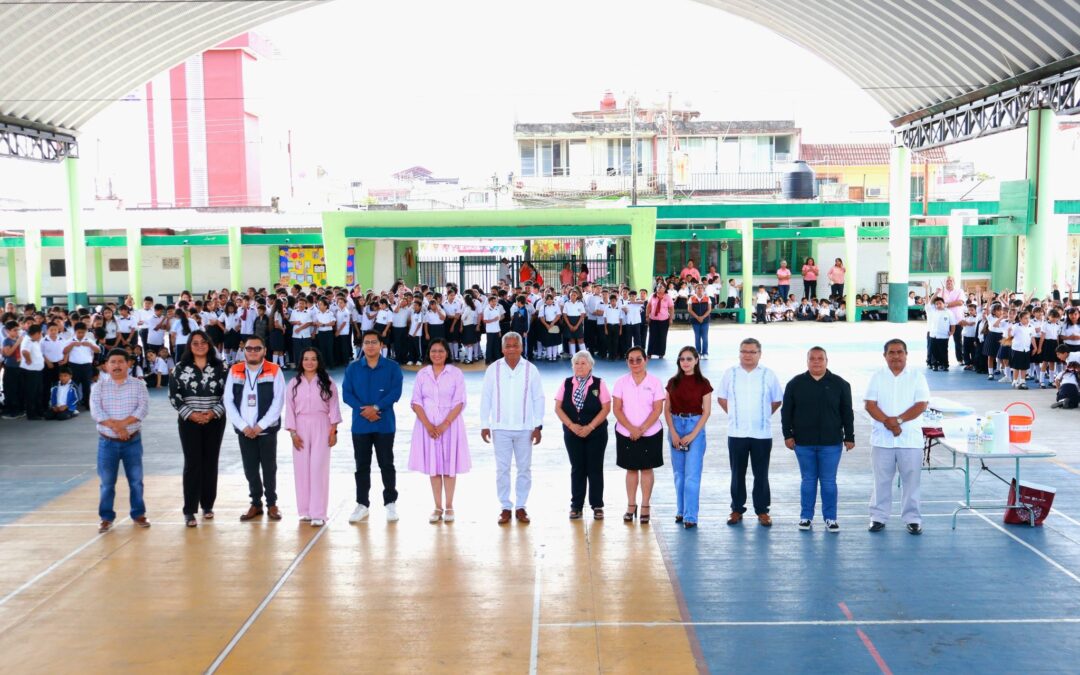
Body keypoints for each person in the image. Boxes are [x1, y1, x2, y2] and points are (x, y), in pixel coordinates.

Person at [781, 347, 855, 532]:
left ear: (826, 361)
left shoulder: (840, 384)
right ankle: (806, 517)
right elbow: (786, 412)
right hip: (803, 443)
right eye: (812, 358)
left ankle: (830, 518)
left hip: (831, 443)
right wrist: (787, 435)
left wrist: (850, 436)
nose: (816, 361)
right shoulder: (795, 384)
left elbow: (847, 413)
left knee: (829, 482)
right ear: (807, 361)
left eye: (820, 358)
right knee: (808, 481)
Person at [864, 339, 930, 535]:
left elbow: (921, 405)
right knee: (881, 480)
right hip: (882, 440)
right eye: (891, 353)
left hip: (909, 440)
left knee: (912, 481)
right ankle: (878, 517)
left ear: (906, 354)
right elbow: (870, 405)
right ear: (885, 356)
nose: (896, 356)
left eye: (900, 352)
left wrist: (898, 421)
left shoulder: (917, 377)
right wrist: (889, 423)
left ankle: (913, 519)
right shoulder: (877, 377)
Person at [480, 332, 545, 525]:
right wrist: (485, 424)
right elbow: (486, 397)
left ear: (521, 347)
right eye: (507, 346)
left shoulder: (530, 369)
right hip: (500, 428)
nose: (511, 349)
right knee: (502, 469)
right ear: (502, 349)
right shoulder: (493, 369)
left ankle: (521, 506)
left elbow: (538, 398)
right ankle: (505, 507)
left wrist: (538, 425)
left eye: (515, 345)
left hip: (525, 428)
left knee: (524, 468)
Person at [717, 338, 783, 527]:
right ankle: (737, 509)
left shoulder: (768, 375)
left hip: (761, 434)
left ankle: (762, 511)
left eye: (752, 352)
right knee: (737, 473)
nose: (747, 355)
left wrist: (763, 416)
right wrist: (735, 415)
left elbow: (777, 400)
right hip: (736, 433)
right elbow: (722, 398)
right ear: (739, 353)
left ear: (759, 354)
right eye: (744, 351)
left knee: (761, 474)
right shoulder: (730, 374)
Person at [343, 330, 404, 524]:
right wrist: (365, 410)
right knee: (362, 466)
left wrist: (376, 408)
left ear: (381, 345)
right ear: (362, 346)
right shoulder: (353, 368)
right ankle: (362, 504)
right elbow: (347, 394)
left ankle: (390, 503)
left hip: (384, 424)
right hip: (360, 425)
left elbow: (395, 392)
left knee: (386, 464)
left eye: (374, 342)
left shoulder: (392, 367)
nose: (370, 346)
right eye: (366, 342)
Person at [223, 335, 286, 521]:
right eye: (249, 348)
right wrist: (243, 426)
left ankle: (272, 504)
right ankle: (256, 503)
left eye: (257, 348)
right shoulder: (235, 370)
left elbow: (278, 401)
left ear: (264, 351)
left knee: (269, 468)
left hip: (266, 430)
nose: (252, 352)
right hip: (244, 431)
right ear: (244, 350)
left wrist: (260, 426)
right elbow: (228, 400)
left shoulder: (274, 370)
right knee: (250, 468)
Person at [169, 330, 227, 527]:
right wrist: (192, 414)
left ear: (209, 344)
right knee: (193, 463)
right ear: (189, 346)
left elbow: (229, 395)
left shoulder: (221, 367)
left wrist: (213, 413)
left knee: (211, 462)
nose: (200, 346)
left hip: (215, 420)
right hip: (188, 422)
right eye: (195, 343)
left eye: (204, 342)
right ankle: (189, 510)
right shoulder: (179, 368)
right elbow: (174, 396)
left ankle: (208, 505)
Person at [408, 338, 469, 523]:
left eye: (441, 351)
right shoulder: (422, 374)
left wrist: (444, 424)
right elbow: (416, 401)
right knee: (434, 467)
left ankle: (449, 506)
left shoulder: (455, 373)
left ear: (447, 353)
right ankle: (437, 507)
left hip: (450, 425)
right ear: (429, 353)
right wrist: (428, 425)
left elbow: (460, 401)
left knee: (449, 467)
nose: (437, 354)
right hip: (427, 426)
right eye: (433, 351)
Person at [90, 348, 151, 533]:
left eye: (120, 362)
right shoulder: (98, 387)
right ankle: (106, 518)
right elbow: (96, 413)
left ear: (128, 364)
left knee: (136, 481)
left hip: (132, 441)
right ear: (106, 366)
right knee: (107, 482)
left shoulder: (139, 385)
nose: (116, 365)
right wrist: (118, 428)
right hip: (107, 442)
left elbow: (142, 409)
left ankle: (138, 514)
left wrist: (123, 426)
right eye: (113, 362)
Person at [285, 347, 342, 528]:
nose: (309, 362)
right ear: (301, 361)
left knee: (318, 468)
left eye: (313, 359)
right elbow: (289, 409)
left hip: (321, 425)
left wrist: (333, 431)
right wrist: (293, 433)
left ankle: (319, 512)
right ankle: (306, 511)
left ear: (319, 361)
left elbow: (334, 407)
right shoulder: (294, 383)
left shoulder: (328, 382)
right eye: (306, 359)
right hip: (300, 427)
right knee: (302, 469)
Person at [612, 346, 666, 524]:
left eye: (638, 359)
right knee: (631, 469)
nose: (635, 363)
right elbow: (617, 409)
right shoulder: (620, 382)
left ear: (646, 360)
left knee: (647, 468)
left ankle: (645, 505)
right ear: (627, 362)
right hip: (625, 432)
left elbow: (658, 409)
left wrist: (641, 429)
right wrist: (631, 429)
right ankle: (630, 505)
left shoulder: (655, 382)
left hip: (650, 432)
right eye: (631, 360)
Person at [554, 350, 610, 520]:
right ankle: (576, 506)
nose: (579, 366)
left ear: (591, 366)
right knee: (577, 468)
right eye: (576, 363)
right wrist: (571, 425)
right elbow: (558, 408)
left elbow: (606, 408)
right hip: (572, 433)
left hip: (596, 433)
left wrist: (590, 427)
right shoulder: (566, 383)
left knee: (595, 468)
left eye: (583, 363)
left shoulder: (599, 384)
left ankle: (597, 505)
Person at [665, 347, 712, 529]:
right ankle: (681, 510)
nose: (685, 362)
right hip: (676, 425)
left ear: (696, 360)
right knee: (679, 474)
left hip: (695, 426)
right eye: (682, 359)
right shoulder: (672, 382)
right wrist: (674, 433)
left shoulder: (704, 383)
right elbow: (667, 409)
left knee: (692, 474)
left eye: (689, 359)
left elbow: (707, 412)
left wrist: (693, 435)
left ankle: (690, 516)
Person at [20, 324, 45, 420]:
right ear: (37, 333)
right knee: (31, 393)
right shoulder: (28, 340)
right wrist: (28, 359)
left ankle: (39, 411)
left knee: (38, 392)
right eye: (40, 334)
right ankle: (31, 414)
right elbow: (25, 351)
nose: (40, 336)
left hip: (37, 371)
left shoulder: (34, 340)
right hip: (30, 371)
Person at [646, 285, 674, 359]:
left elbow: (671, 308)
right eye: (658, 287)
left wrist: (671, 319)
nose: (659, 289)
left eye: (661, 288)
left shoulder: (667, 297)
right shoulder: (652, 296)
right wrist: (647, 316)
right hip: (653, 319)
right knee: (652, 336)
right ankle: (649, 353)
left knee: (662, 337)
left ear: (665, 289)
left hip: (664, 320)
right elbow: (648, 306)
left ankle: (661, 353)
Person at [687, 283, 711, 359]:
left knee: (705, 337)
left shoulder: (707, 298)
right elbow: (689, 309)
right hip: (695, 320)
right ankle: (698, 353)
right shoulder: (691, 298)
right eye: (698, 288)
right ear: (695, 290)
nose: (700, 289)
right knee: (697, 337)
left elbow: (709, 309)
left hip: (705, 320)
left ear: (703, 290)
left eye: (701, 288)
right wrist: (697, 317)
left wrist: (703, 317)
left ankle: (705, 353)